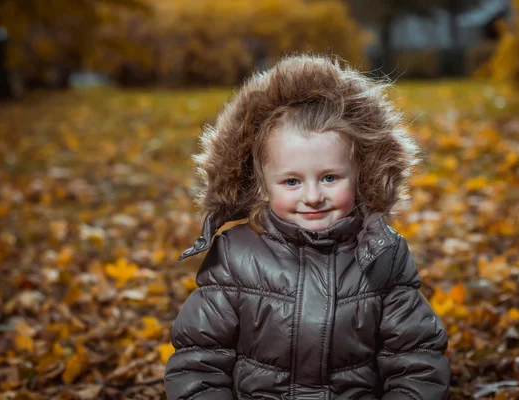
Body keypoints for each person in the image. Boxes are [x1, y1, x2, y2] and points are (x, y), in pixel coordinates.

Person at [164, 54, 450, 399]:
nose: (313, 196)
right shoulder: (235, 255)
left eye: (330, 177)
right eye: (291, 182)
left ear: (361, 176)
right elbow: (199, 362)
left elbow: (416, 357)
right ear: (262, 187)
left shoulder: (382, 256)